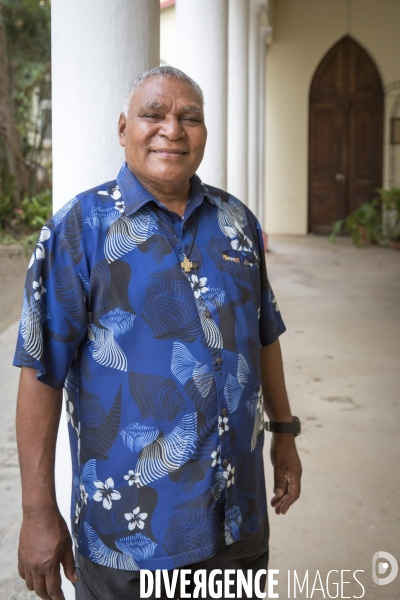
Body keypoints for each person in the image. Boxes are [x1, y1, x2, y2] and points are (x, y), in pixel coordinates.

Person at [14, 66, 302, 600]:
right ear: (124, 129)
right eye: (154, 115)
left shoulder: (235, 221)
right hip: (132, 536)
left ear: (204, 133)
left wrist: (285, 433)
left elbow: (264, 335)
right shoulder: (79, 229)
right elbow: (40, 372)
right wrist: (37, 513)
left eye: (189, 117)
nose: (173, 129)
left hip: (237, 520)